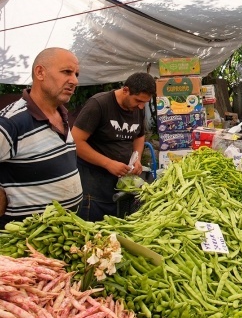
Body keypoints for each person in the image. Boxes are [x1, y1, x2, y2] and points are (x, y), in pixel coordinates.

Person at [0, 48, 82, 226]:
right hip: (25, 244)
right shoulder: (10, 122)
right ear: (40, 72)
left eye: (76, 74)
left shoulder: (63, 116)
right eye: (66, 72)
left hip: (62, 237)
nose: (74, 80)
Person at [72, 72, 156, 221]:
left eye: (145, 102)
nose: (141, 106)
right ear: (125, 90)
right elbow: (76, 142)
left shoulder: (138, 108)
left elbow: (139, 135)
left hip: (119, 184)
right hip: (94, 185)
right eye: (138, 100)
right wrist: (108, 163)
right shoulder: (99, 104)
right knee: (95, 230)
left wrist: (136, 158)